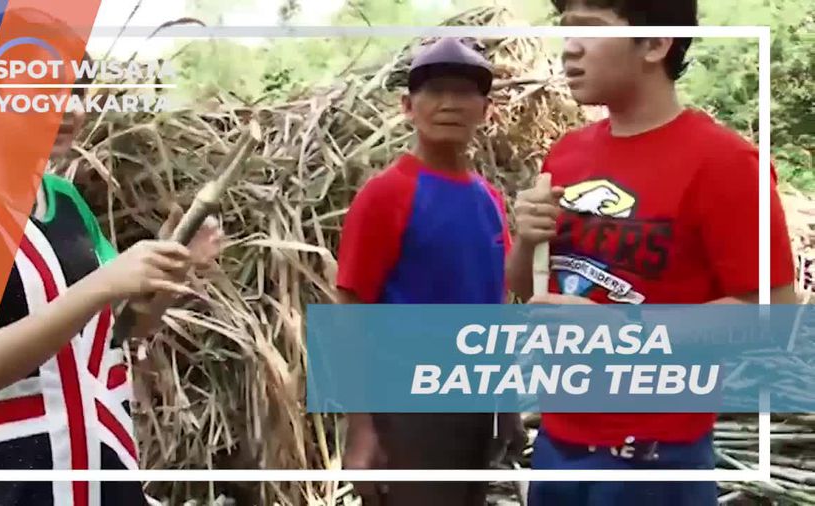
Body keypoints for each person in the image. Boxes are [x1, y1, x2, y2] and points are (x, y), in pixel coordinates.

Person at [0, 9, 221, 506]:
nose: (70, 108)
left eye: (78, 92)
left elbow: (121, 330)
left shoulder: (68, 203)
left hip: (101, 471)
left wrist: (173, 265)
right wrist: (104, 284)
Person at [508, 1, 797, 504]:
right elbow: (530, 292)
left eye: (589, 30)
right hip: (557, 449)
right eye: (565, 30)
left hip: (657, 462)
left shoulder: (725, 163)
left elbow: (773, 315)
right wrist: (527, 240)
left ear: (657, 43)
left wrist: (620, 331)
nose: (569, 48)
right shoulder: (566, 154)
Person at [335, 37, 526, 506]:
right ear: (407, 106)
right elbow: (350, 313)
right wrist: (360, 432)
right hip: (409, 412)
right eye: (434, 90)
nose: (449, 104)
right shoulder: (387, 195)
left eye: (464, 93)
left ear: (486, 110)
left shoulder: (488, 199)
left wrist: (507, 405)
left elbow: (492, 304)